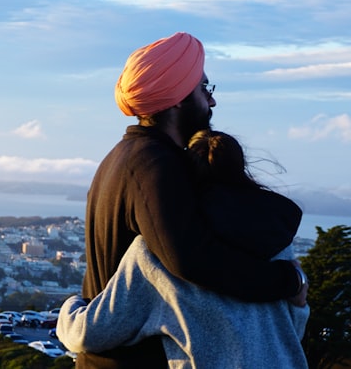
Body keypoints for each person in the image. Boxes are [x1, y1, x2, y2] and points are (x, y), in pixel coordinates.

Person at [76, 33, 307, 368]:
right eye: (204, 89)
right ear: (178, 100)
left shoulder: (122, 156)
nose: (211, 102)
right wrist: (288, 281)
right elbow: (191, 260)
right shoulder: (155, 164)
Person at [58, 130, 309, 368]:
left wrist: (72, 304)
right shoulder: (275, 240)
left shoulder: (155, 255)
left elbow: (88, 334)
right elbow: (290, 335)